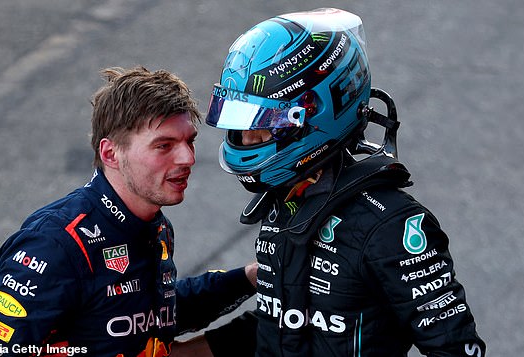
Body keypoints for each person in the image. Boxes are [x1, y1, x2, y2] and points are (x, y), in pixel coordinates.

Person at [181, 8, 487, 357]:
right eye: (239, 125)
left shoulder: (391, 227)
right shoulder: (288, 202)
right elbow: (284, 323)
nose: (246, 139)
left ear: (314, 112)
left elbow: (457, 351)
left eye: (259, 124)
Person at [0, 66, 257, 357]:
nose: (188, 158)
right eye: (164, 146)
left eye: (189, 141)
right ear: (110, 153)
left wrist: (251, 278)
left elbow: (147, 315)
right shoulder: (56, 244)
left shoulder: (154, 226)